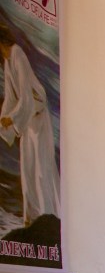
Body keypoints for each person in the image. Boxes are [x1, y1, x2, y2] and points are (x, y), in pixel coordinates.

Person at [0, 24, 60, 228]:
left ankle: (46, 216)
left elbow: (26, 94)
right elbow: (11, 97)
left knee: (41, 168)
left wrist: (13, 118)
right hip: (27, 117)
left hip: (37, 115)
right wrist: (5, 117)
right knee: (27, 167)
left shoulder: (18, 55)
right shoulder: (8, 61)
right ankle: (31, 218)